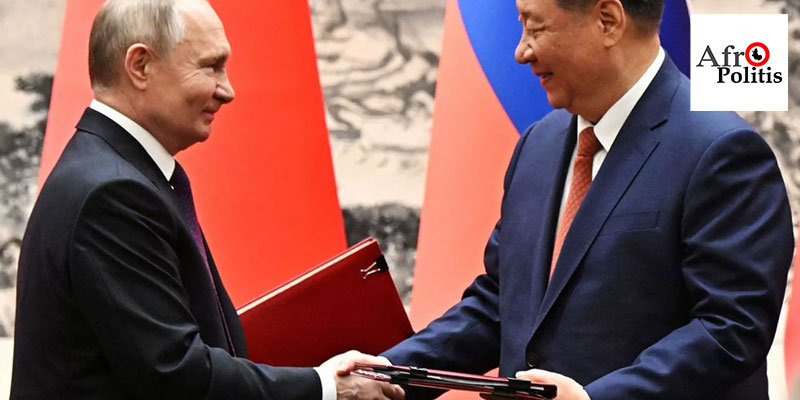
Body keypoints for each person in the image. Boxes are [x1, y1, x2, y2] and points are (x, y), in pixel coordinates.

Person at [375, 0, 795, 399]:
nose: (521, 52)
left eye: (535, 27)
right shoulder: (538, 145)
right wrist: (385, 374)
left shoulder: (722, 151)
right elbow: (502, 304)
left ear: (608, 20)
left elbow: (730, 329)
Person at [10, 1, 404, 399]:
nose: (227, 91)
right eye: (210, 67)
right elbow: (176, 374)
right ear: (140, 66)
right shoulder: (112, 194)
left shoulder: (114, 173)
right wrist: (327, 388)